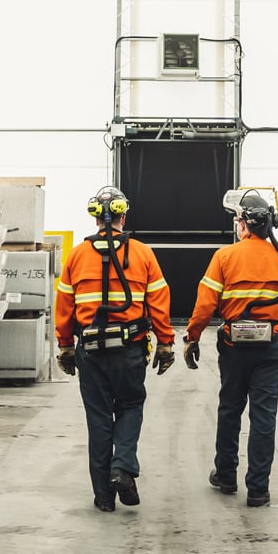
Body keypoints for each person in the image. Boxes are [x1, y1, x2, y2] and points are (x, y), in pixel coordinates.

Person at [53, 185, 177, 512]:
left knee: (98, 419)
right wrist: (165, 343)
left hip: (90, 351)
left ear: (95, 218)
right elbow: (159, 303)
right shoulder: (142, 253)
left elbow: (64, 306)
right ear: (124, 215)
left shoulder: (77, 255)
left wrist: (65, 346)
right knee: (130, 406)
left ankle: (104, 497)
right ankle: (122, 467)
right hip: (131, 348)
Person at [183, 187, 278, 507]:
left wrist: (192, 336)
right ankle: (258, 488)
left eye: (237, 221)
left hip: (234, 346)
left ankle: (225, 475)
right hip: (271, 347)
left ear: (243, 225)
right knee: (264, 415)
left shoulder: (225, 257)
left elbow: (205, 303)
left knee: (230, 408)